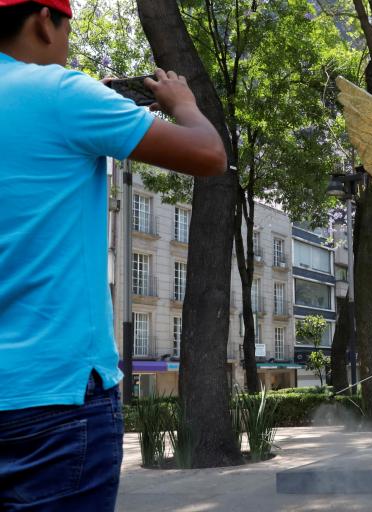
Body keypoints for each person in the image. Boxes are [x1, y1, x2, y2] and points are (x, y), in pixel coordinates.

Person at [0, 1, 227, 509]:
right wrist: (181, 101)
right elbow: (209, 155)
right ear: (43, 19)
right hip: (53, 401)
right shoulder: (61, 92)